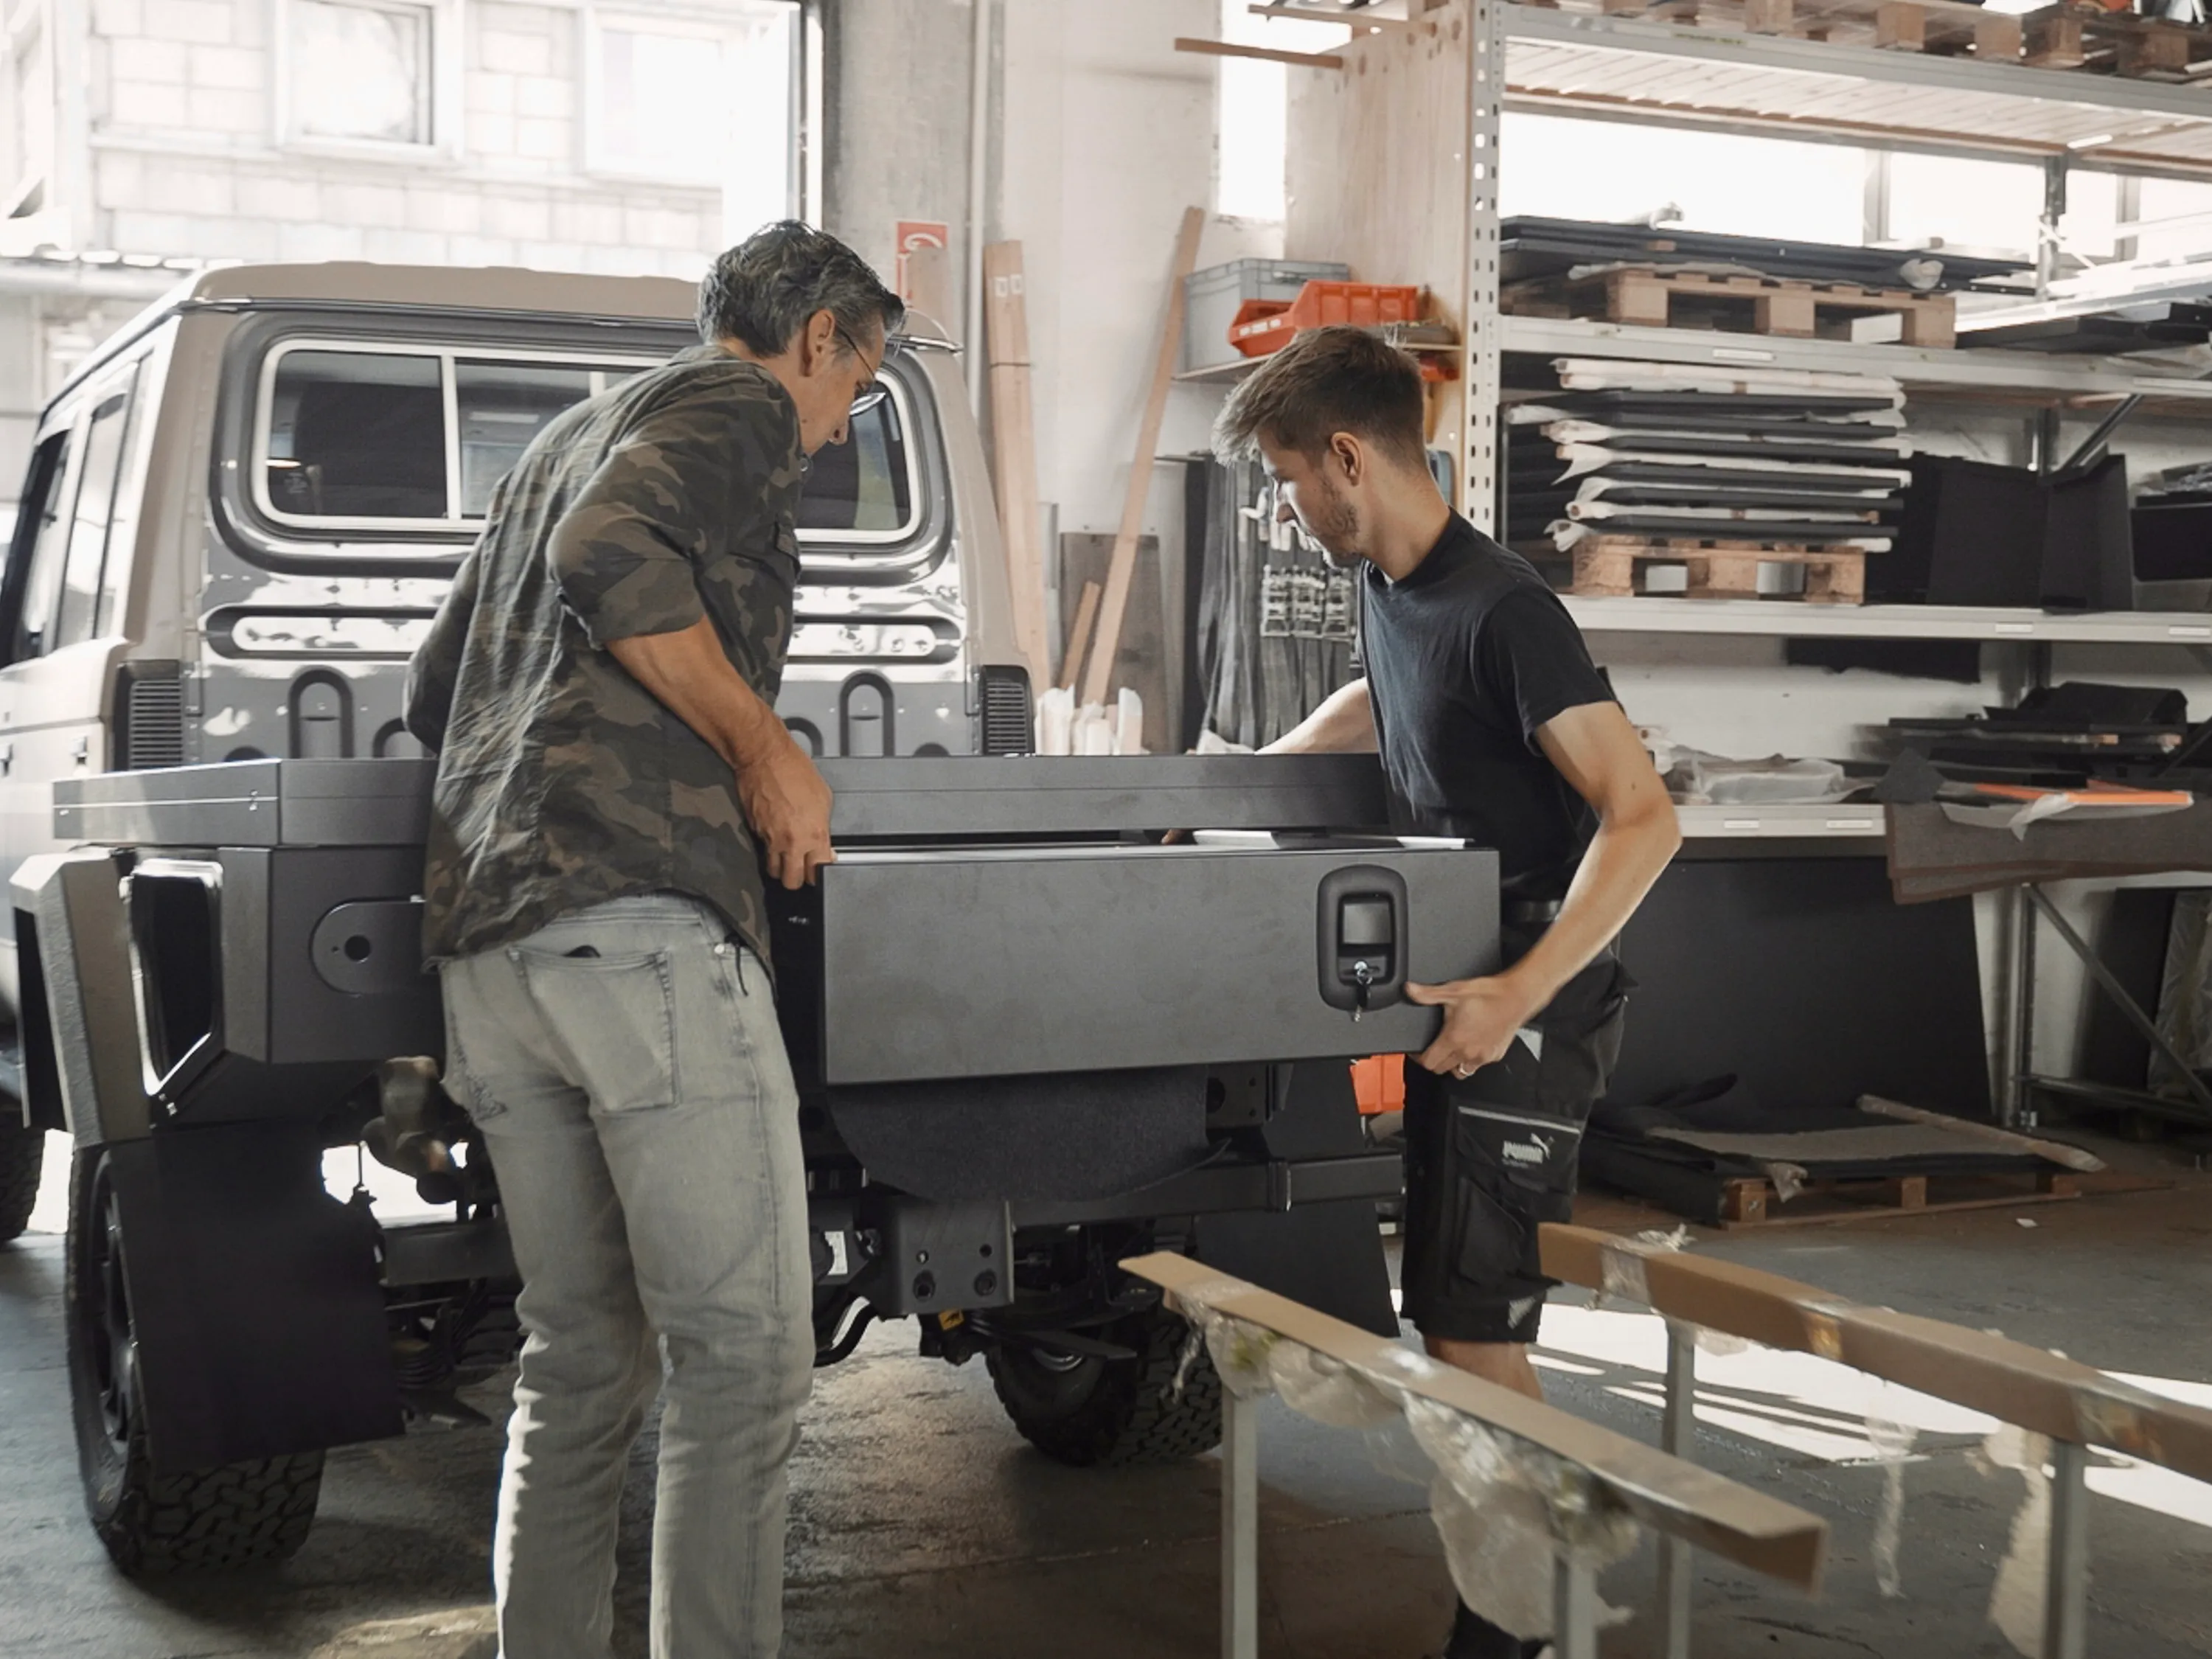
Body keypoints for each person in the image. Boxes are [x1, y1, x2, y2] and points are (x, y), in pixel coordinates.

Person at [403, 221, 904, 1659]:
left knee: (579, 1365)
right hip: (641, 931)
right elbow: (609, 550)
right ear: (819, 339)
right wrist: (763, 748)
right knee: (744, 1364)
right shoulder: (737, 402)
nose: (836, 426)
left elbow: (442, 688)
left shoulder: (569, 433)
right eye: (856, 389)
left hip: (495, 952)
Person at [1213, 326, 1682, 1659]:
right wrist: (1243, 783)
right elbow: (1389, 692)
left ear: (1349, 457)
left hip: (1527, 996)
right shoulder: (1400, 585)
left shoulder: (1507, 607)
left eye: (1292, 478)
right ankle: (1515, 1617)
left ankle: (1523, 1630)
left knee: (1475, 1336)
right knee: (1449, 1315)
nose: (1289, 508)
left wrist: (1515, 993)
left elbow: (1644, 818)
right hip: (1462, 991)